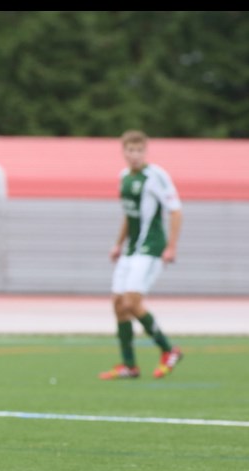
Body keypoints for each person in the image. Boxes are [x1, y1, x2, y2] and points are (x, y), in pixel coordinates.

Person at [99, 129, 183, 380]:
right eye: (130, 150)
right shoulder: (124, 177)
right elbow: (129, 214)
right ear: (123, 152)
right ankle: (129, 365)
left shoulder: (156, 176)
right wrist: (117, 244)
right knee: (117, 304)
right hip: (131, 249)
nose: (134, 155)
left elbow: (176, 211)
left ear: (145, 152)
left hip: (151, 248)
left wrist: (171, 247)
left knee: (132, 302)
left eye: (139, 150)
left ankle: (169, 350)